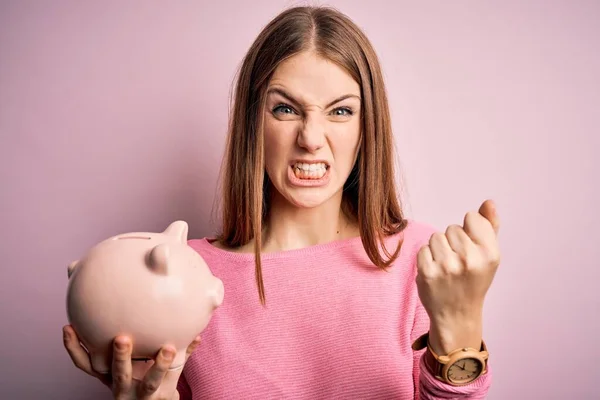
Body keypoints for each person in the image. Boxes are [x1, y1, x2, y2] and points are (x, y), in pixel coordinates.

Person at [63, 5, 500, 399]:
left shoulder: (424, 260)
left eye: (341, 111)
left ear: (368, 128)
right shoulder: (185, 275)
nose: (311, 139)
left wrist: (461, 325)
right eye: (286, 110)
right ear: (255, 122)